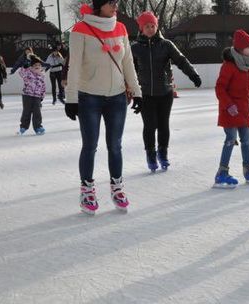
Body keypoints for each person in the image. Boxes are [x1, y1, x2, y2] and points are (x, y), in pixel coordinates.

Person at [64, 1, 142, 215]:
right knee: (90, 145)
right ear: (99, 5)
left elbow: (127, 63)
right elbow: (75, 66)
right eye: (111, 2)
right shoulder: (80, 29)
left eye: (116, 2)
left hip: (117, 97)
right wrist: (71, 98)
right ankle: (87, 189)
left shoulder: (121, 28)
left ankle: (117, 187)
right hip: (89, 97)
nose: (115, 5)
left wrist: (137, 91)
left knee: (115, 146)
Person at [131, 11, 202, 172]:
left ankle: (163, 153)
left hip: (165, 92)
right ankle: (150, 154)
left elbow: (181, 60)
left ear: (157, 27)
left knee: (163, 125)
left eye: (152, 26)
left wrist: (193, 74)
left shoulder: (166, 45)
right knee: (150, 126)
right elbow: (128, 71)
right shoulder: (134, 49)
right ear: (141, 29)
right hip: (145, 94)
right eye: (146, 26)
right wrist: (131, 90)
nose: (150, 29)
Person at [213, 29, 249, 189]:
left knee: (246, 141)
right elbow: (220, 88)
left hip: (244, 111)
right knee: (230, 140)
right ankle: (221, 173)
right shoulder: (229, 66)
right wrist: (229, 105)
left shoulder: (248, 66)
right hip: (230, 111)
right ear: (239, 48)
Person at [18, 54, 46, 135]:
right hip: (27, 95)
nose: (37, 66)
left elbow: (43, 86)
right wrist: (25, 66)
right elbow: (21, 72)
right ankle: (23, 127)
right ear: (32, 66)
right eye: (35, 65)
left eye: (39, 65)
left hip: (37, 96)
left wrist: (42, 95)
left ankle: (38, 127)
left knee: (37, 112)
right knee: (26, 111)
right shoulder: (28, 73)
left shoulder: (42, 75)